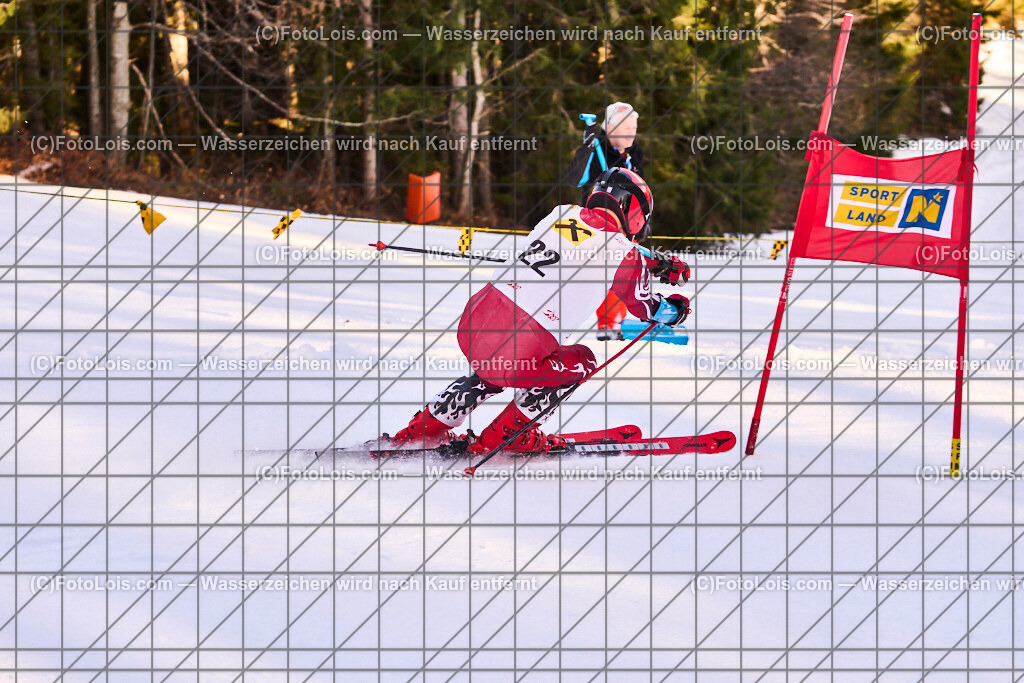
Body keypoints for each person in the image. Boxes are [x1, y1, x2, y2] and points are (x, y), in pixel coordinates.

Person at [382, 167, 691, 454]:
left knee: (490, 371)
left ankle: (426, 426)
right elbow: (647, 308)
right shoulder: (625, 256)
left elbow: (592, 238)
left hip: (475, 324)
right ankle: (511, 434)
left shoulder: (562, 213)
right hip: (523, 345)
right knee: (581, 361)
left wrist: (654, 261)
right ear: (636, 213)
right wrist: (675, 309)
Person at [566, 102, 645, 201]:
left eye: (634, 128)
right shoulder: (594, 148)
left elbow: (642, 190)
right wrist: (587, 147)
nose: (632, 133)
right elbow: (574, 180)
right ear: (610, 129)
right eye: (627, 128)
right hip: (596, 214)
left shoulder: (635, 151)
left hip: (627, 215)